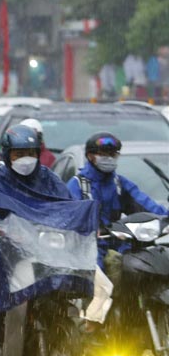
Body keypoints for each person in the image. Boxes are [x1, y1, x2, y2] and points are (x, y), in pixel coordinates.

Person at [0, 125, 97, 356]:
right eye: (18, 154)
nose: (25, 159)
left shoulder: (49, 179)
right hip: (6, 252)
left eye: (30, 153)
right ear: (8, 154)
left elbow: (67, 209)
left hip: (44, 250)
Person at [66, 132, 167, 324]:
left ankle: (134, 320)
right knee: (100, 287)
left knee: (143, 269)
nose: (109, 158)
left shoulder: (119, 184)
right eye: (104, 153)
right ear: (90, 156)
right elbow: (68, 218)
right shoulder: (78, 185)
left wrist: (165, 218)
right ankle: (92, 327)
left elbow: (146, 205)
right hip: (88, 249)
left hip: (117, 245)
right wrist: (87, 231)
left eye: (113, 154)